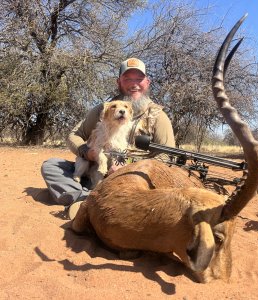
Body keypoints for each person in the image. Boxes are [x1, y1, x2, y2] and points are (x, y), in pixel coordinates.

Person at [41, 58, 175, 211]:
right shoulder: (104, 109)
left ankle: (91, 203)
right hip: (95, 172)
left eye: (139, 79)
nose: (134, 84)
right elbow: (74, 135)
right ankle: (85, 200)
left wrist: (131, 169)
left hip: (131, 180)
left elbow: (166, 156)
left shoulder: (158, 116)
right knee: (51, 166)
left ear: (147, 82)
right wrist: (86, 153)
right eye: (127, 79)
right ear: (118, 82)